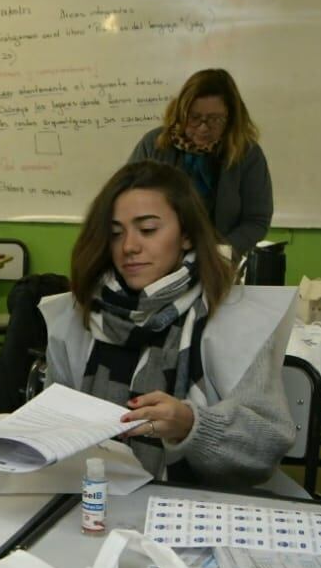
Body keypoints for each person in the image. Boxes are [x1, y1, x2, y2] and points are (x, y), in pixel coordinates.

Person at [40, 161, 296, 488]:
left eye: (148, 230)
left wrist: (192, 425)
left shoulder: (235, 317)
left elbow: (265, 449)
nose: (129, 247)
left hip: (201, 510)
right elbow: (53, 426)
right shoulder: (76, 316)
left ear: (187, 235)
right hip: (93, 500)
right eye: (116, 233)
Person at [127, 69, 270, 259]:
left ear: (231, 118)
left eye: (215, 119)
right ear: (180, 113)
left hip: (218, 261)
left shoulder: (247, 154)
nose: (203, 128)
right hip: (156, 259)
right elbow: (126, 203)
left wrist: (219, 253)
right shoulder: (154, 145)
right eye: (194, 118)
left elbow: (256, 220)